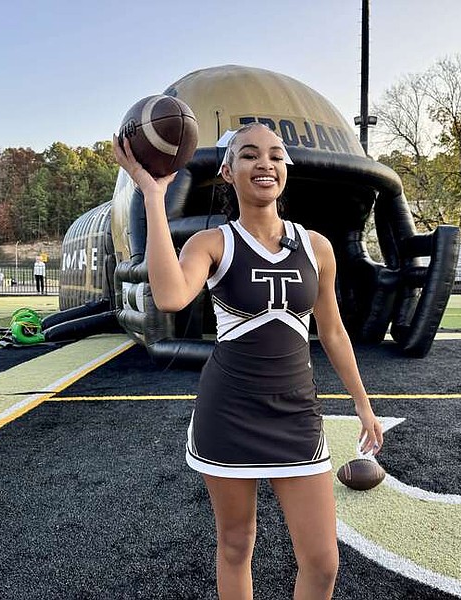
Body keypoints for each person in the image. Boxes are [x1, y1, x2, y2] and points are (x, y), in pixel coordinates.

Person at [113, 122, 383, 600]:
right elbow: (171, 296)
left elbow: (334, 332)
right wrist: (153, 198)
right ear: (227, 171)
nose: (265, 164)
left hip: (297, 414)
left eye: (276, 156)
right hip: (229, 414)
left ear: (286, 169)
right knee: (237, 544)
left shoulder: (316, 247)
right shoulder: (212, 244)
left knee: (322, 563)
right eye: (250, 155)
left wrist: (363, 404)